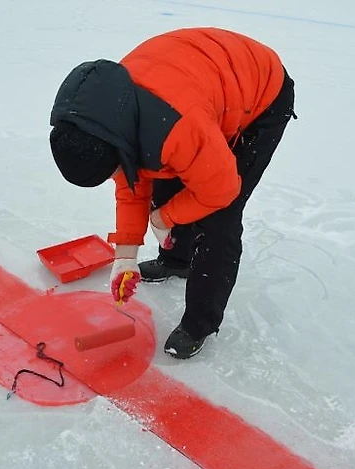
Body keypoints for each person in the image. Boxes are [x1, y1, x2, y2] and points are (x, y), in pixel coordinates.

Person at [49, 27, 296, 359]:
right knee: (166, 179)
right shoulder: (105, 120)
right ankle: (176, 260)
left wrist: (163, 217)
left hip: (260, 91)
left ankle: (199, 323)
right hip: (195, 87)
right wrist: (125, 256)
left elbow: (221, 190)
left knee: (219, 218)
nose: (116, 177)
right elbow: (132, 181)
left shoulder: (176, 128)